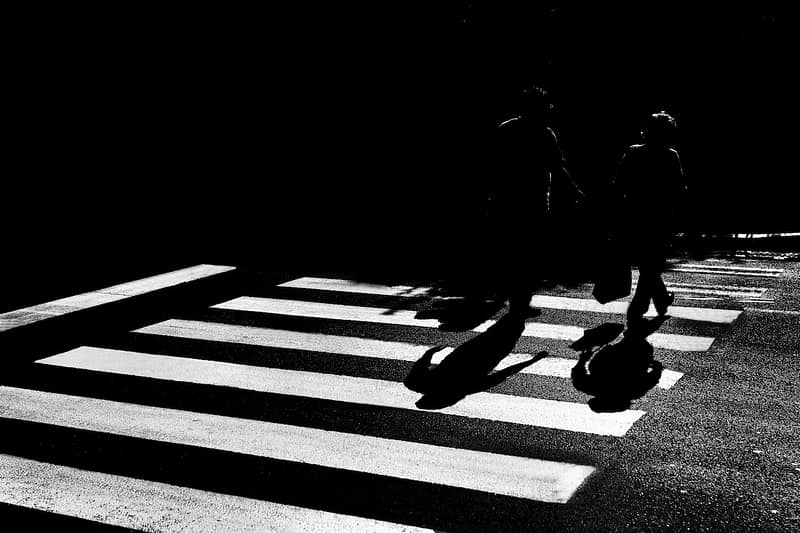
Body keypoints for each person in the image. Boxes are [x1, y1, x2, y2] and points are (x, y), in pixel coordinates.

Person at [487, 85, 584, 316]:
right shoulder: (544, 133)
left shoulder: (506, 129)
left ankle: (513, 297)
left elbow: (492, 166)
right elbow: (558, 168)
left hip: (506, 199)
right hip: (534, 201)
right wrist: (576, 192)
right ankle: (519, 303)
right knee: (529, 252)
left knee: (513, 249)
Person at [614, 111, 687, 326]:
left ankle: (660, 301)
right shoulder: (670, 156)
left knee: (648, 265)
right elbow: (678, 189)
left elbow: (619, 184)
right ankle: (638, 308)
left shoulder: (633, 153)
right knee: (651, 264)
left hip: (634, 215)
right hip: (660, 217)